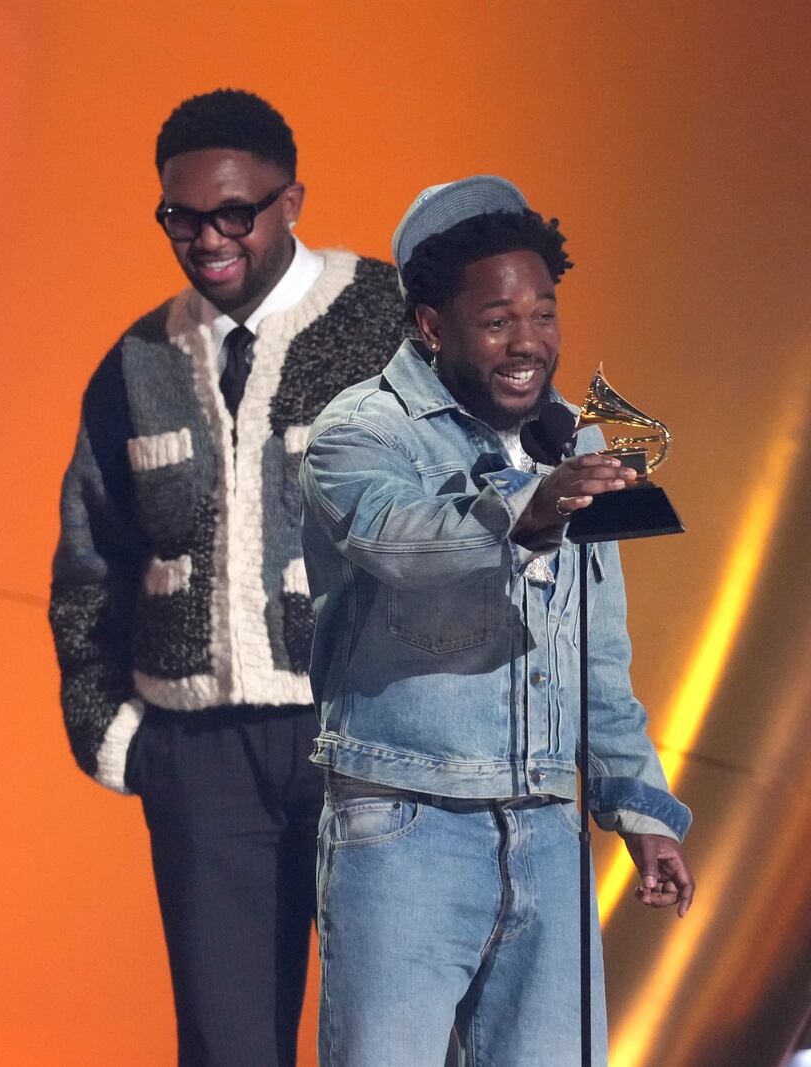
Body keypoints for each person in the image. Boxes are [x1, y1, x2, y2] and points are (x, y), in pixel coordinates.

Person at [299, 175, 696, 1065]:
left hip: (548, 830)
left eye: (543, 314)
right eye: (497, 320)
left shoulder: (580, 444)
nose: (529, 343)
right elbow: (397, 541)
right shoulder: (361, 432)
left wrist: (639, 806)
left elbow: (599, 648)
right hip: (404, 828)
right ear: (432, 325)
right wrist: (531, 508)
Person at [49, 89, 405, 1066]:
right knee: (225, 1045)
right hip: (199, 755)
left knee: (395, 1034)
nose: (206, 238)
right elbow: (91, 563)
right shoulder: (135, 362)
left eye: (231, 213)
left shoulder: (386, 321)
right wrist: (117, 736)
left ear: (290, 199)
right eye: (181, 216)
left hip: (366, 739)